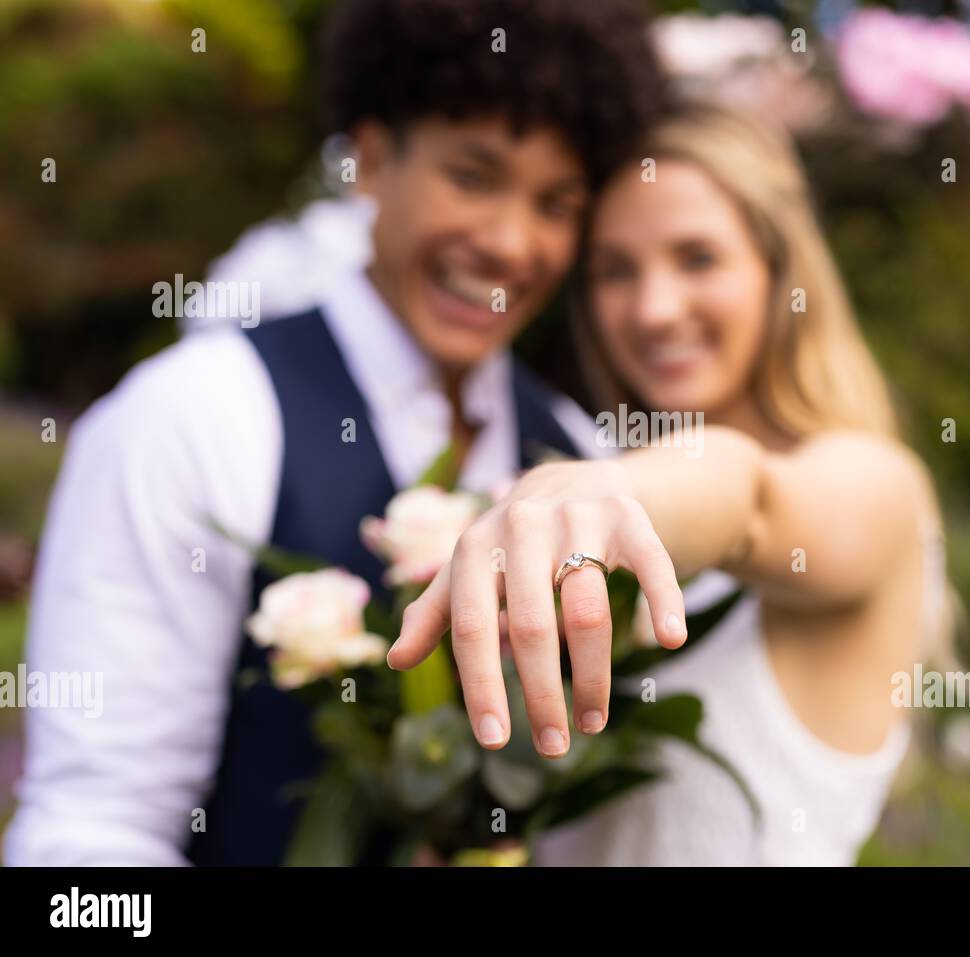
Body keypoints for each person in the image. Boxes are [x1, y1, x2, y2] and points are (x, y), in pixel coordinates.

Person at [4, 0, 667, 866]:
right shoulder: (193, 417)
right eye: (472, 176)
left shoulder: (576, 449)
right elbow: (90, 835)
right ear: (372, 157)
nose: (512, 242)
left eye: (556, 203)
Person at [389, 103, 950, 865]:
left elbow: (745, 494)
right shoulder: (601, 474)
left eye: (697, 259)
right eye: (616, 270)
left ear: (780, 273)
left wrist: (598, 494)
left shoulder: (869, 482)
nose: (653, 309)